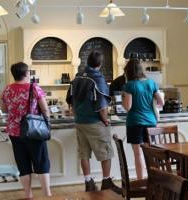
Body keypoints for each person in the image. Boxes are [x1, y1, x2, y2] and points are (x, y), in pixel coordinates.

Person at [66, 51, 121, 194]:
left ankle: (88, 182)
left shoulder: (77, 77)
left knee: (84, 153)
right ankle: (107, 182)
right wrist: (105, 120)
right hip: (94, 122)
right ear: (100, 64)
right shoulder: (98, 79)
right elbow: (102, 106)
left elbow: (70, 100)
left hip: (79, 122)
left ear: (87, 62)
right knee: (106, 152)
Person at [1, 62, 51, 199]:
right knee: (41, 162)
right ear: (27, 73)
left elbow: (4, 109)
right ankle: (47, 194)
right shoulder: (34, 88)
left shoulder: (7, 89)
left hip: (15, 132)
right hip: (34, 130)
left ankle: (28, 194)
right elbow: (45, 109)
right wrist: (46, 121)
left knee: (22, 163)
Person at [121, 58, 164, 180]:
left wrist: (123, 97)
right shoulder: (151, 83)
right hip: (151, 122)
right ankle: (152, 180)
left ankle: (141, 181)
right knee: (149, 153)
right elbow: (161, 102)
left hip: (135, 123)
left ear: (128, 72)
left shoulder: (129, 85)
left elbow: (127, 107)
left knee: (138, 153)